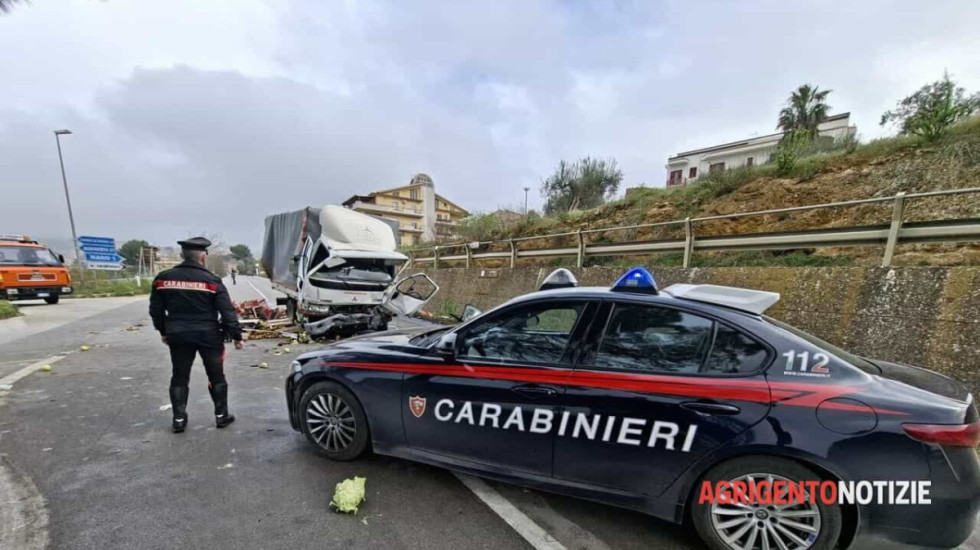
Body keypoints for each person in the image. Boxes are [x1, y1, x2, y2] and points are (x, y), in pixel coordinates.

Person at [149, 237, 243, 433]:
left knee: (180, 376)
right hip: (208, 335)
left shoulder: (163, 279)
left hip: (178, 335)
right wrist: (236, 336)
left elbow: (156, 311)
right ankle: (221, 416)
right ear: (203, 257)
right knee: (216, 375)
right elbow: (227, 312)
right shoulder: (212, 281)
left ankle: (179, 420)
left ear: (182, 255)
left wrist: (164, 331)